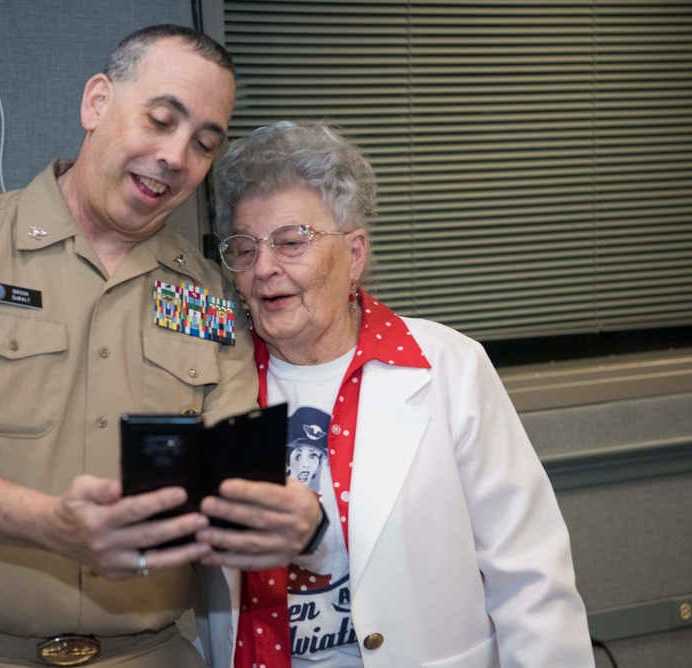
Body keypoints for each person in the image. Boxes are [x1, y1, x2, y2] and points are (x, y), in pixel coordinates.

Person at [0, 26, 320, 668]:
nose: (177, 156)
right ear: (97, 103)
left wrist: (292, 515)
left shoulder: (207, 295)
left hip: (149, 653)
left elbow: (231, 476)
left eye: (204, 143)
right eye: (160, 119)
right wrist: (52, 524)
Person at [195, 121, 595, 667]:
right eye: (243, 249)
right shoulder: (212, 377)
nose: (264, 268)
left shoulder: (448, 366)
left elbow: (529, 576)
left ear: (354, 253)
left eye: (291, 242)